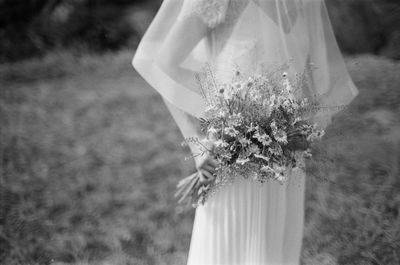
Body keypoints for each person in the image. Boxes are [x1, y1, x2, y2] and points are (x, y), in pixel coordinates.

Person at [132, 0, 358, 264]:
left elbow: (312, 83)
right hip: (234, 164)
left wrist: (301, 129)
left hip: (286, 165)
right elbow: (162, 62)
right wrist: (201, 143)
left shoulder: (305, 3)